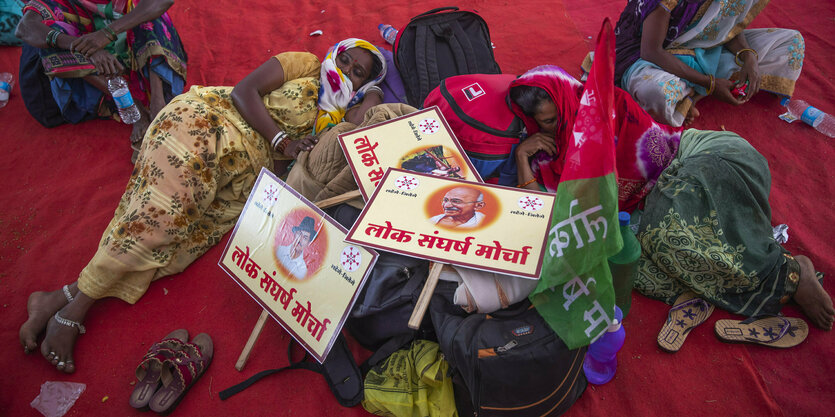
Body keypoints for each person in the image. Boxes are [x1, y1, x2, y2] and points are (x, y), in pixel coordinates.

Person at [18, 37, 387, 373]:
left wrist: (371, 94)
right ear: (334, 53)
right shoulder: (305, 64)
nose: (348, 73)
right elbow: (244, 91)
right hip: (210, 123)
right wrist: (281, 142)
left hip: (239, 179)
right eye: (347, 61)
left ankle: (59, 295)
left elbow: (362, 120)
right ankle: (73, 311)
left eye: (359, 73)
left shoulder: (337, 117)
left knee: (180, 244)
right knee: (158, 220)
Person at [506, 65, 833, 331]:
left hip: (696, 158)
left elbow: (653, 161)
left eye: (556, 115)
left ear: (567, 98)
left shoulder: (609, 103)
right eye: (541, 122)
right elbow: (544, 214)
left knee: (670, 222)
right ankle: (768, 275)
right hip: (650, 206)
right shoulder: (545, 154)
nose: (553, 126)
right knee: (635, 271)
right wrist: (523, 157)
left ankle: (792, 273)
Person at [15, 0, 188, 154]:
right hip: (96, 75)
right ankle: (133, 108)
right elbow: (25, 27)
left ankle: (158, 105)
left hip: (132, 51)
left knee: (149, 10)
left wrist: (106, 34)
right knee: (50, 37)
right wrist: (83, 47)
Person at [505, 65, 682, 214]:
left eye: (563, 110)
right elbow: (537, 207)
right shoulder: (546, 147)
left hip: (671, 169)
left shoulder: (616, 104)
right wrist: (521, 156)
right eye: (549, 121)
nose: (562, 124)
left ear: (568, 96)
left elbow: (654, 156)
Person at [612, 0, 805, 126]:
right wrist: (710, 84)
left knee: (791, 43)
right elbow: (651, 51)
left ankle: (688, 96)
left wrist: (749, 57)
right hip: (648, 59)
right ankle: (692, 93)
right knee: (658, 92)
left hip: (705, 51)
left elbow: (724, 29)